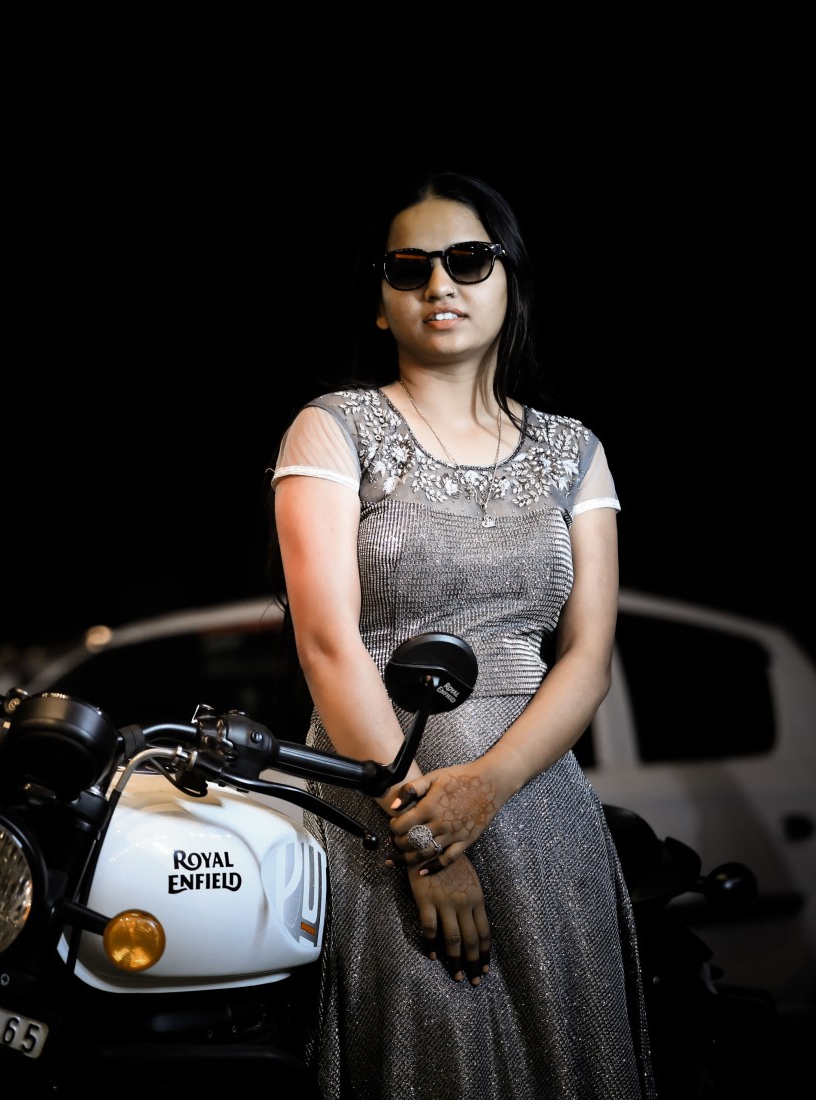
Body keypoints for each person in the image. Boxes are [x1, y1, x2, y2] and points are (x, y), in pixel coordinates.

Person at [268, 170, 655, 1099]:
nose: (439, 284)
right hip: (381, 808)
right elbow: (328, 645)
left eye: (468, 260)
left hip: (540, 810)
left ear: (508, 278)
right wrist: (422, 840)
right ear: (380, 303)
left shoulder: (575, 451)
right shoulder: (331, 428)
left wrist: (487, 788)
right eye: (409, 268)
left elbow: (587, 660)